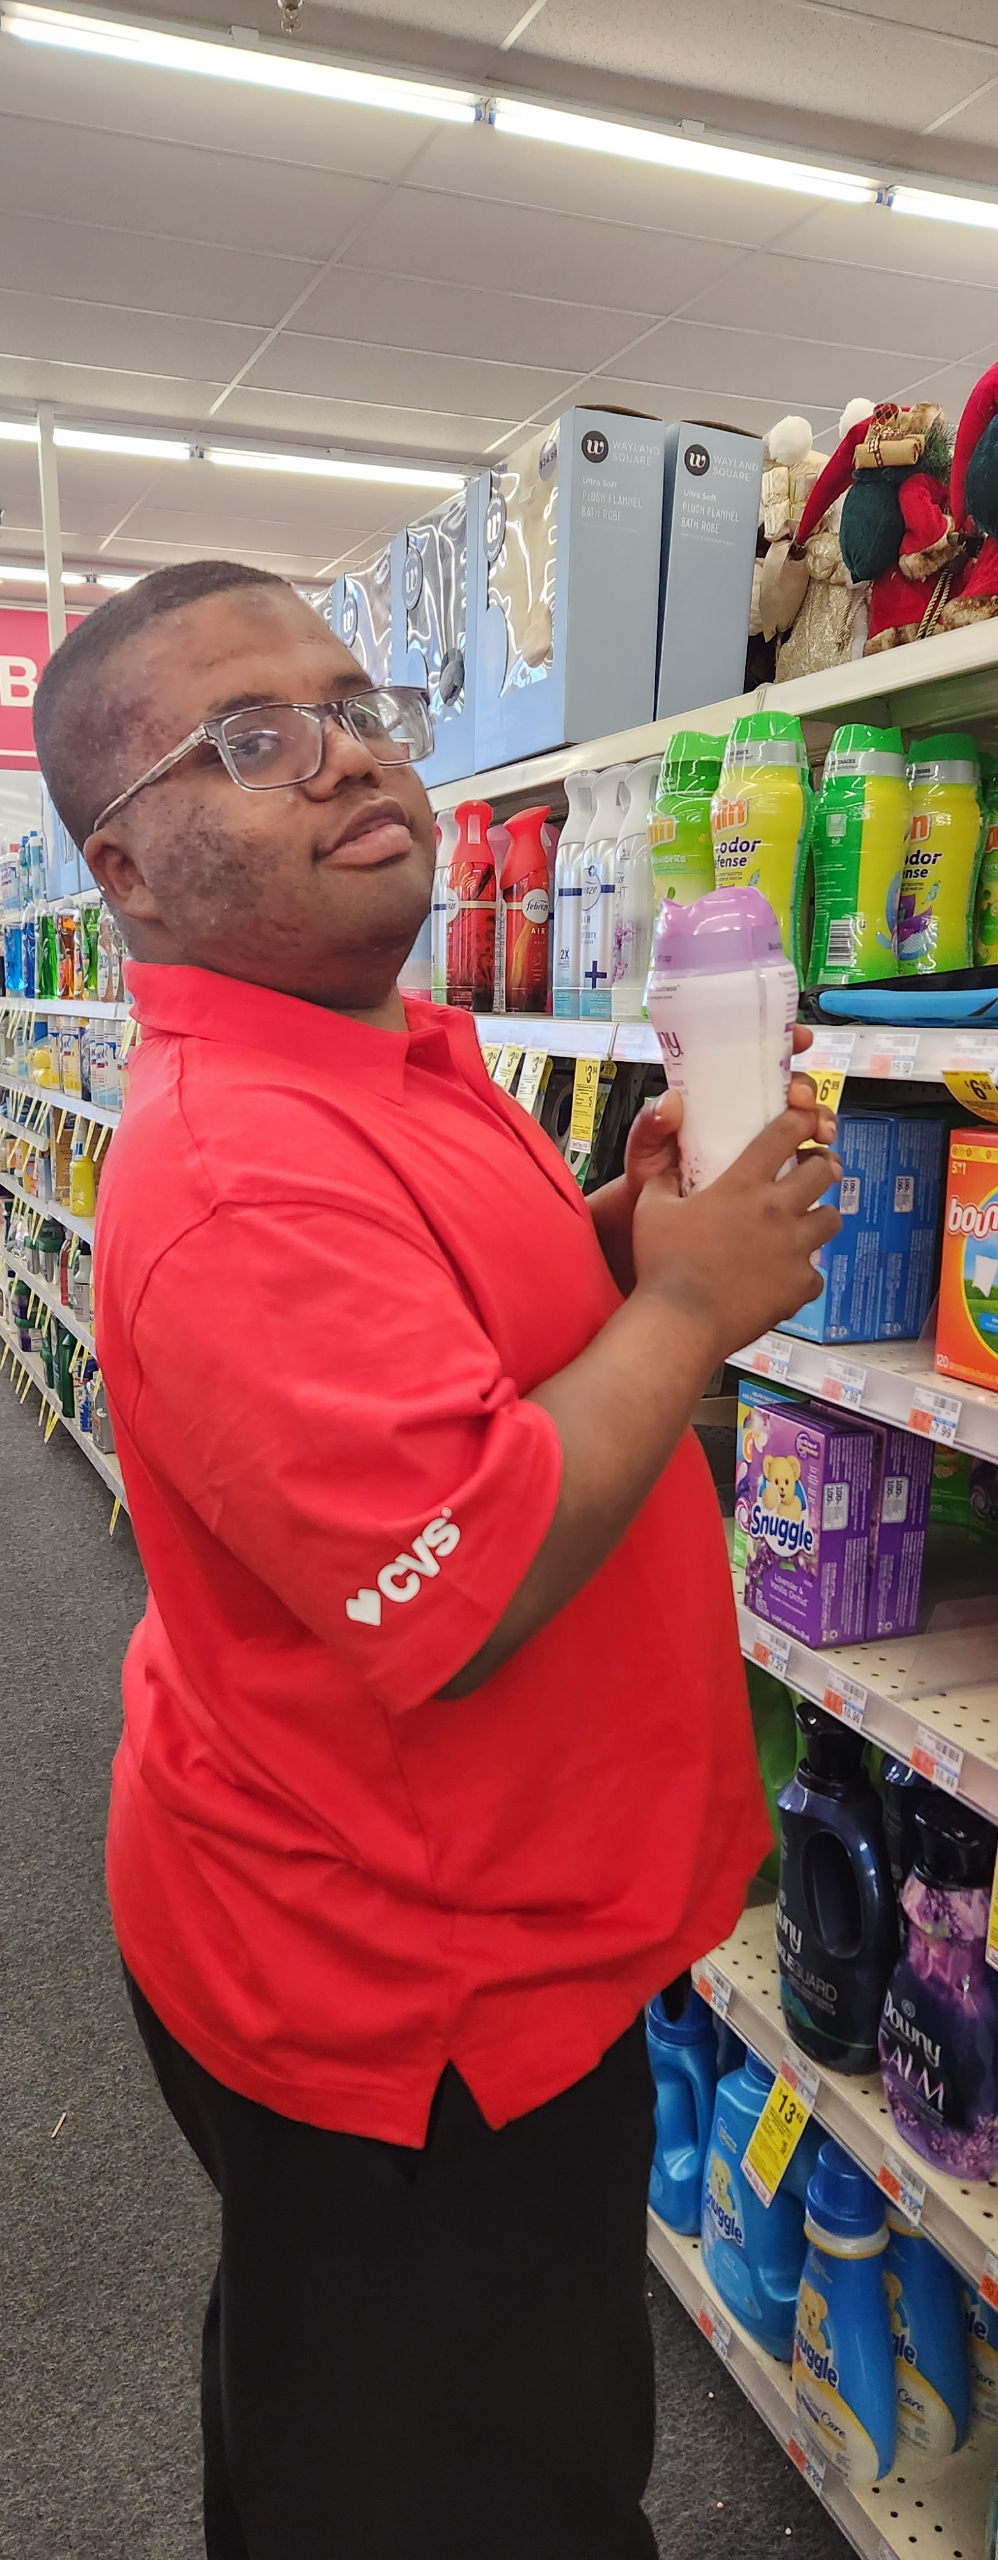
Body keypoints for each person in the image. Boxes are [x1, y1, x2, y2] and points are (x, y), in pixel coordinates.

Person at [33, 560, 840, 2560]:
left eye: (353, 697)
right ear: (126, 877)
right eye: (247, 737)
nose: (342, 751)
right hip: (399, 1994)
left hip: (450, 1924)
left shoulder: (388, 1046)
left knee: (362, 2395)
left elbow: (445, 1338)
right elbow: (455, 1585)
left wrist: (608, 1235)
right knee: (454, 2478)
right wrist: (690, 1313)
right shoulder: (232, 1173)